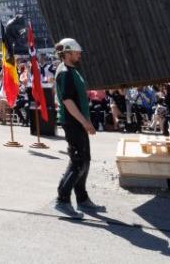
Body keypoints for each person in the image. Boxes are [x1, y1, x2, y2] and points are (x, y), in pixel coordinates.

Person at [53, 37, 102, 215]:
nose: (79, 54)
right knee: (78, 161)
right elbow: (67, 101)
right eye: (76, 52)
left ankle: (82, 199)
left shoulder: (72, 70)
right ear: (67, 53)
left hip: (78, 121)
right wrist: (84, 122)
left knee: (85, 160)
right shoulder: (65, 72)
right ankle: (62, 199)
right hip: (72, 122)